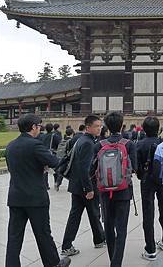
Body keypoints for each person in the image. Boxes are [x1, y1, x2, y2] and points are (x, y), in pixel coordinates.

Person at [5, 114, 71, 267]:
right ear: (33, 127)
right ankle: (53, 264)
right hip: (35, 198)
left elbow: (13, 168)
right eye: (39, 126)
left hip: (15, 197)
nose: (40, 129)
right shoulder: (35, 145)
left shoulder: (11, 146)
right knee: (43, 234)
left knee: (14, 237)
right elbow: (54, 162)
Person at [92, 112, 137, 267]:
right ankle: (116, 263)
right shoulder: (128, 144)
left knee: (109, 227)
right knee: (122, 229)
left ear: (107, 126)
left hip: (105, 191)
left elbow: (92, 169)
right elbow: (135, 168)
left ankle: (112, 259)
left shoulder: (99, 145)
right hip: (124, 191)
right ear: (121, 124)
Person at [60, 115, 106, 257]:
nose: (99, 128)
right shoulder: (87, 143)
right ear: (88, 127)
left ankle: (98, 239)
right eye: (96, 126)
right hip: (85, 186)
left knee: (84, 214)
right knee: (89, 213)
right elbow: (84, 168)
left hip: (77, 185)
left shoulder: (82, 139)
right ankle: (69, 245)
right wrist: (89, 189)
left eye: (100, 126)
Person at [136, 117, 163, 261]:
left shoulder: (139, 144)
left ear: (144, 129)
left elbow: (136, 166)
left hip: (147, 181)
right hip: (162, 181)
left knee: (148, 213)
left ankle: (150, 249)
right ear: (158, 129)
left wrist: (141, 175)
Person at [42, 123, 62, 189]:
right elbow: (59, 143)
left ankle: (45, 185)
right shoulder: (54, 136)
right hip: (52, 153)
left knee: (45, 170)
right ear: (52, 129)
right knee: (56, 168)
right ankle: (56, 182)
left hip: (44, 153)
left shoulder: (43, 136)